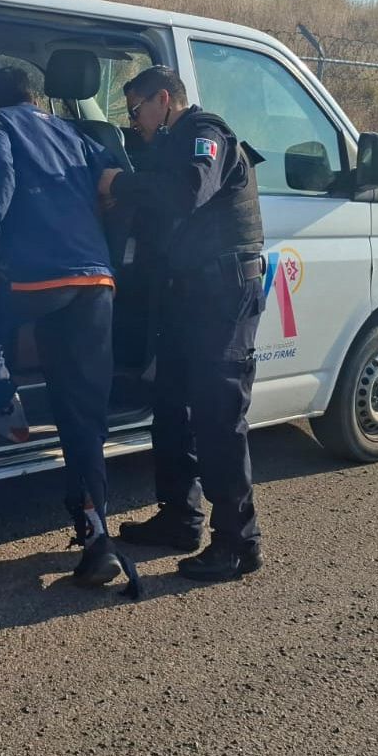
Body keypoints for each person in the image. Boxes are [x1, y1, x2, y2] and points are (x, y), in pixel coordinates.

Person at [0, 65, 140, 594]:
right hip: (94, 281)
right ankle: (96, 535)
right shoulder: (75, 132)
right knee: (83, 415)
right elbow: (113, 189)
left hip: (34, 278)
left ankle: (4, 407)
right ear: (37, 96)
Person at [106, 65, 267, 582]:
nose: (135, 122)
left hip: (223, 294)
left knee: (219, 417)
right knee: (172, 406)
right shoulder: (168, 145)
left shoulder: (205, 134)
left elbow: (185, 193)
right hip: (189, 294)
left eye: (137, 111)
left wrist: (121, 183)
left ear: (164, 99)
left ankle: (239, 543)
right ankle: (180, 517)